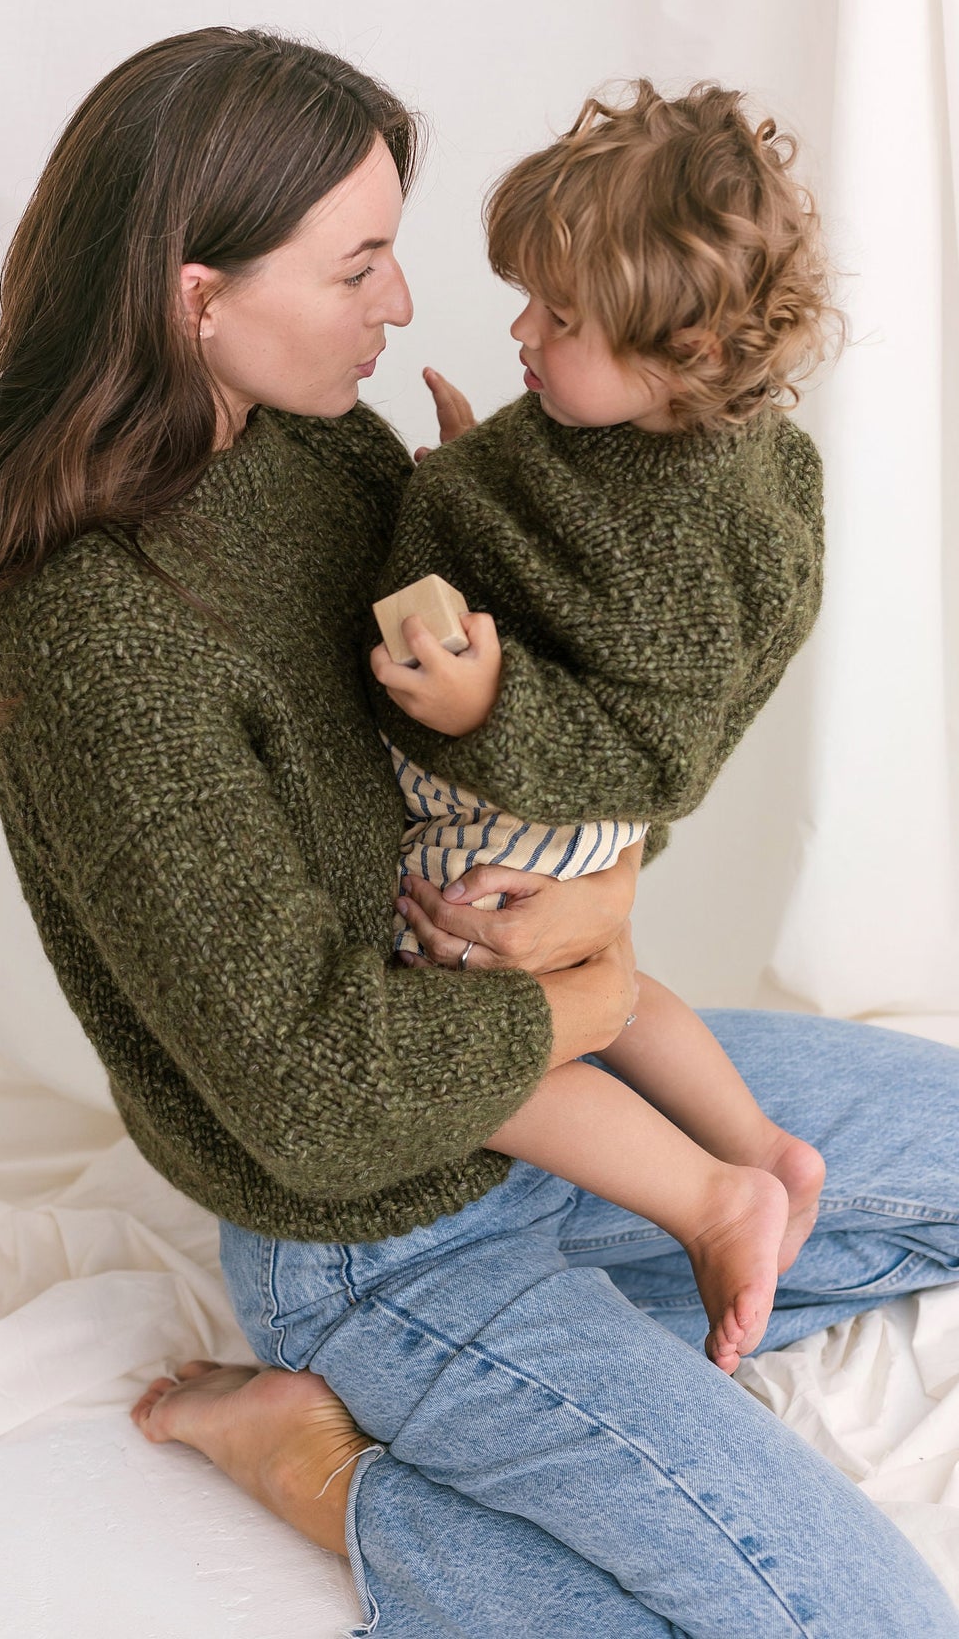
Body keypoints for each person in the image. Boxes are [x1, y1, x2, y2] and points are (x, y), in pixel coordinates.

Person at [0, 27, 959, 1637]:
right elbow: (310, 1101)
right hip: (382, 1224)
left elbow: (510, 748)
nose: (399, 303)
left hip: (541, 1090)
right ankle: (327, 1465)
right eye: (360, 263)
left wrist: (610, 883)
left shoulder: (308, 440)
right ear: (196, 296)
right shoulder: (100, 638)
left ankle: (575, 1373)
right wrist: (590, 991)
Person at [369, 82, 838, 1372]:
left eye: (559, 317)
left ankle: (711, 1196)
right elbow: (553, 554)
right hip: (561, 821)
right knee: (608, 995)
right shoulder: (646, 434)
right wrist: (470, 490)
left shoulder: (682, 522)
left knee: (456, 1032)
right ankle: (762, 1144)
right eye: (529, 294)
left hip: (518, 813)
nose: (520, 327)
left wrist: (486, 705)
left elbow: (655, 737)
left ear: (680, 353)